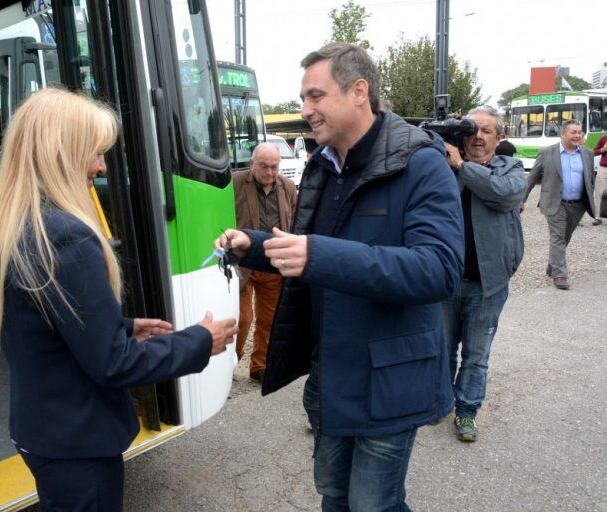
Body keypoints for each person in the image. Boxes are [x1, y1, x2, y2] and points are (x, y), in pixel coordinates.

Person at [216, 43, 463, 511]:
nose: (305, 110)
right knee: (334, 496)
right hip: (333, 375)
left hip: (391, 381)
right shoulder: (323, 166)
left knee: (374, 505)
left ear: (358, 92)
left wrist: (318, 254)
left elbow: (439, 270)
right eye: (303, 98)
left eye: (315, 96)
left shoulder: (421, 163)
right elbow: (307, 251)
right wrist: (256, 245)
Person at [0, 88, 237, 511]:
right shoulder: (67, 236)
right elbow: (114, 364)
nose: (101, 165)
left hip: (45, 430)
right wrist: (201, 340)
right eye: (95, 153)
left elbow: (43, 322)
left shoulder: (21, 224)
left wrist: (124, 327)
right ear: (62, 152)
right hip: (79, 444)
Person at [442, 106, 525, 442]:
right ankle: (440, 401)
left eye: (487, 131)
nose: (478, 136)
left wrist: (462, 166)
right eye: (472, 129)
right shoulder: (444, 166)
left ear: (499, 136)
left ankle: (467, 412)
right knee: (442, 349)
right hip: (446, 280)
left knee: (476, 355)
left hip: (488, 285)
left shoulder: (510, 167)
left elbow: (504, 195)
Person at [233, 142, 297, 381]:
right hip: (242, 263)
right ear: (252, 164)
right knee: (242, 318)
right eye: (264, 166)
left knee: (269, 320)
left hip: (273, 262)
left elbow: (296, 221)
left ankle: (260, 366)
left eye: (274, 167)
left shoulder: (288, 187)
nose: (269, 172)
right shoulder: (236, 183)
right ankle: (230, 363)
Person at [522, 119, 596, 290]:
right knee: (557, 237)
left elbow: (590, 179)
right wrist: (521, 199)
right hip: (554, 202)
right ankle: (560, 274)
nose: (577, 135)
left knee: (565, 237)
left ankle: (553, 265)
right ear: (563, 134)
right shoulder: (547, 152)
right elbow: (532, 177)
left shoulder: (587, 153)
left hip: (578, 205)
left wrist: (589, 197)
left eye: (580, 132)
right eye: (573, 132)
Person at [592, 134, 607, 225]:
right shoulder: (603, 138)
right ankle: (598, 217)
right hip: (603, 168)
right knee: (599, 193)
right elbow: (594, 152)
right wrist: (603, 150)